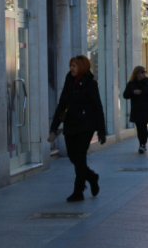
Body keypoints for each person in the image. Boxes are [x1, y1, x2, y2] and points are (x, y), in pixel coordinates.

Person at [50, 55, 106, 202]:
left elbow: (97, 107)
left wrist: (101, 130)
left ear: (81, 67)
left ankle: (78, 191)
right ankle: (92, 177)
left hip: (85, 126)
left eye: (74, 66)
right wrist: (54, 127)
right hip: (70, 125)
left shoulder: (91, 84)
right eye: (71, 65)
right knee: (73, 156)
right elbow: (62, 105)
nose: (71, 68)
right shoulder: (69, 81)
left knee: (80, 157)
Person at [123, 66, 148, 153]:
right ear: (138, 73)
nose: (144, 74)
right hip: (136, 109)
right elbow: (125, 95)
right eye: (143, 72)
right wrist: (133, 92)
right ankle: (142, 143)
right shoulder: (131, 83)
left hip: (146, 109)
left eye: (144, 72)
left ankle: (142, 144)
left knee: (143, 126)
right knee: (139, 128)